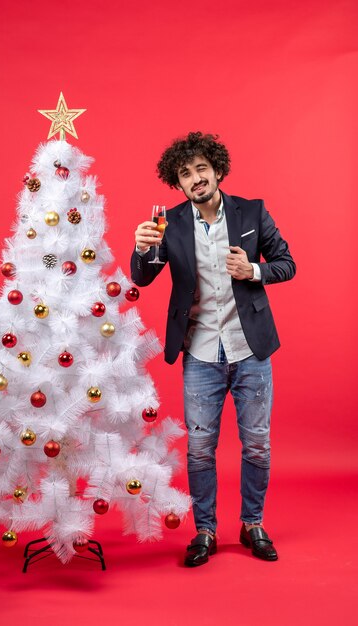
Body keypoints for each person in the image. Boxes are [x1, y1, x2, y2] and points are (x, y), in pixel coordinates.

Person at [130, 131, 296, 567]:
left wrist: (254, 270)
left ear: (217, 171)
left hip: (251, 351)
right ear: (178, 184)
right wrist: (142, 248)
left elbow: (287, 262)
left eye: (202, 168)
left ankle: (252, 523)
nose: (195, 178)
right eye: (185, 174)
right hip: (200, 352)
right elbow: (143, 277)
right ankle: (205, 530)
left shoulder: (253, 212)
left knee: (257, 444)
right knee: (201, 448)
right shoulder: (170, 223)